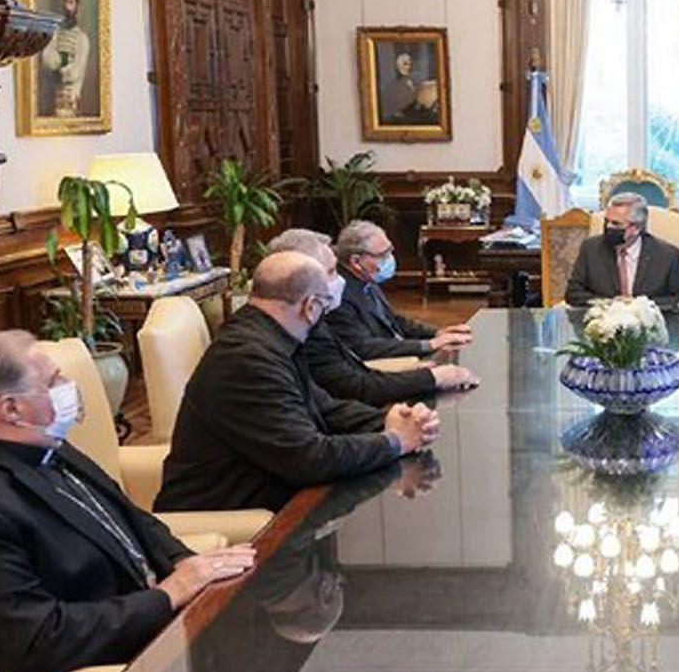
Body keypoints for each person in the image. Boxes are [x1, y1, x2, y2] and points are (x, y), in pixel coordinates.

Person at [0, 331, 256, 672]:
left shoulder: (39, 445)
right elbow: (35, 642)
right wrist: (169, 594)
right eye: (54, 380)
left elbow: (128, 517)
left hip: (137, 629)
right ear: (11, 408)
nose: (68, 387)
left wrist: (183, 563)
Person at [156, 253, 440, 514]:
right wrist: (393, 442)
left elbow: (323, 408)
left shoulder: (268, 336)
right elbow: (309, 459)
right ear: (311, 306)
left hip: (272, 495)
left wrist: (387, 419)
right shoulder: (248, 358)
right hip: (231, 516)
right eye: (326, 304)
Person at [267, 228, 479, 405]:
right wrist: (429, 369)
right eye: (331, 271)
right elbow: (357, 370)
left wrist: (435, 336)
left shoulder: (360, 288)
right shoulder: (332, 306)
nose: (337, 278)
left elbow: (393, 321)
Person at [329, 220, 474, 359]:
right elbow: (363, 347)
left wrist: (437, 333)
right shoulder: (340, 295)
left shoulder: (366, 279)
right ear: (356, 262)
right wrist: (428, 345)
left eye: (390, 251)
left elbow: (393, 320)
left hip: (395, 351)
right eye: (383, 255)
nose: (390, 259)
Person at [564, 191, 679, 309]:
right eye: (606, 221)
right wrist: (611, 304)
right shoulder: (590, 248)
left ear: (636, 228)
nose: (608, 227)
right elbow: (573, 294)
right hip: (604, 325)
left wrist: (639, 307)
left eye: (616, 224)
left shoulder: (667, 255)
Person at [40, 0, 92, 117]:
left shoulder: (82, 39)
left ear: (77, 5)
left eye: (71, 2)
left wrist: (60, 66)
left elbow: (75, 71)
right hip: (54, 101)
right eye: (65, 1)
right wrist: (64, 59)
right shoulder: (55, 34)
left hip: (71, 102)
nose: (67, 7)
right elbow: (47, 58)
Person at [380, 51, 418, 122]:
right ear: (398, 66)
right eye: (406, 64)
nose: (409, 67)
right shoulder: (393, 87)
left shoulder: (414, 82)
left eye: (410, 63)